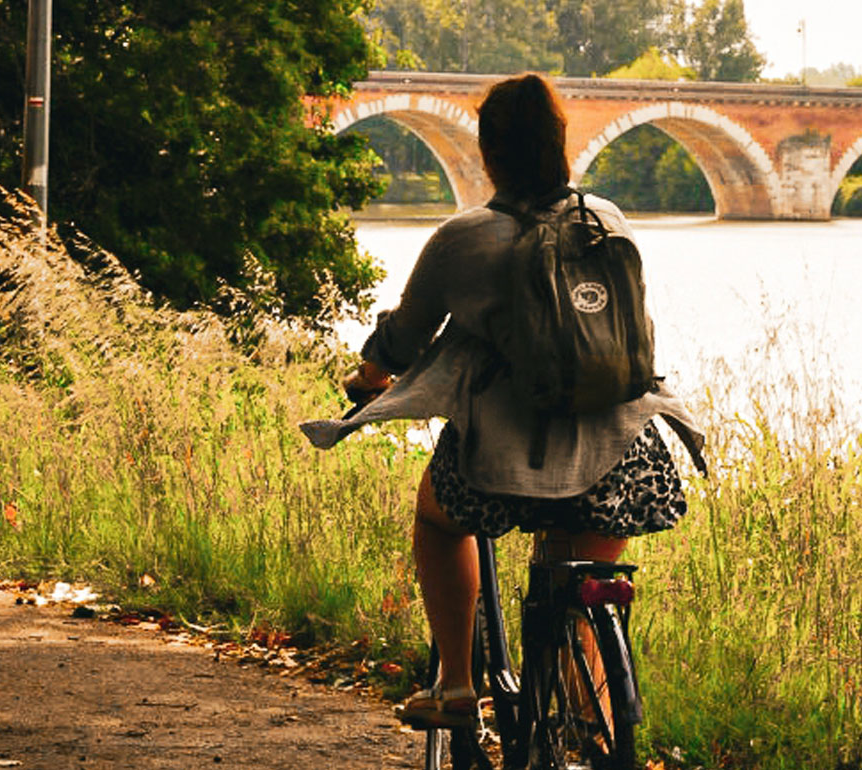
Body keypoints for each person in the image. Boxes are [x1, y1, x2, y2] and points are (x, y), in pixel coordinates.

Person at [299, 73, 704, 730]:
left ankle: (456, 685)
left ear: (488, 153)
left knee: (437, 518)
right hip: (620, 454)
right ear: (560, 142)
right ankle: (593, 724)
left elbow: (401, 341)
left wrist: (369, 380)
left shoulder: (462, 238)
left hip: (501, 461)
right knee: (582, 580)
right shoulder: (609, 220)